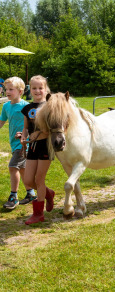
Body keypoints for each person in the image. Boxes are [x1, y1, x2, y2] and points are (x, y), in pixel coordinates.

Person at [21, 75, 55, 225]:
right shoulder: (27, 108)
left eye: (40, 88)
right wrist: (23, 137)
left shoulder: (49, 106)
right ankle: (48, 193)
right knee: (28, 180)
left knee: (39, 180)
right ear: (30, 90)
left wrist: (37, 135)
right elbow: (26, 128)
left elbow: (52, 129)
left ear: (45, 89)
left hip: (45, 146)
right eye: (34, 88)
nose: (37, 90)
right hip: (32, 147)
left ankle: (38, 213)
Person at [0, 77, 36, 209]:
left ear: (20, 91)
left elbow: (34, 124)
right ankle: (31, 194)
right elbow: (1, 122)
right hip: (13, 143)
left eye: (10, 89)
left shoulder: (26, 106)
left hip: (23, 143)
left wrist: (23, 134)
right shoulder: (5, 106)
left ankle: (13, 196)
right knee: (22, 169)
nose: (7, 92)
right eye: (5, 89)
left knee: (12, 166)